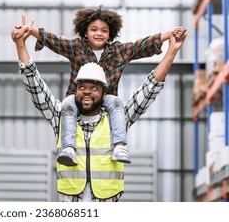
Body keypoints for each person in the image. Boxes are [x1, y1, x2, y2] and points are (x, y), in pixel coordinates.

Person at [12, 22, 186, 202]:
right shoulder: (61, 117)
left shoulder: (118, 118)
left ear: (104, 93)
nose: (87, 91)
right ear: (75, 89)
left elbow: (151, 87)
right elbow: (35, 84)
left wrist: (172, 49)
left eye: (94, 88)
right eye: (82, 87)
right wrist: (20, 45)